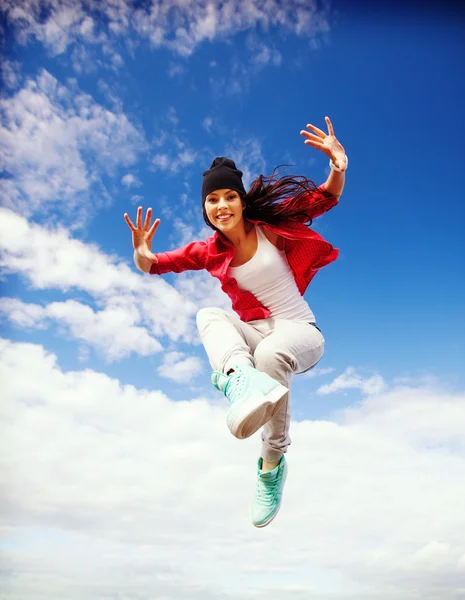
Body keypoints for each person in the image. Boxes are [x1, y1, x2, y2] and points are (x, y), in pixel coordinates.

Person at [124, 117, 347, 528]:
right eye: (212, 200)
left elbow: (324, 198)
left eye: (229, 196)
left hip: (300, 332)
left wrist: (337, 165)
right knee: (209, 314)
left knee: (271, 353)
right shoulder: (208, 251)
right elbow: (155, 265)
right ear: (205, 209)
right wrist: (141, 253)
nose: (221, 205)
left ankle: (271, 466)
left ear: (242, 202)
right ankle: (237, 380)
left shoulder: (273, 228)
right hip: (257, 332)